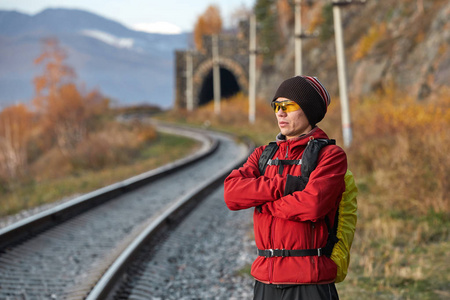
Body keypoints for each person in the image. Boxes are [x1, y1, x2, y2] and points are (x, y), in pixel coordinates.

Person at [224, 76, 347, 300]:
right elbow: (231, 194)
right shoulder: (262, 154)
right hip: (265, 281)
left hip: (310, 282)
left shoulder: (330, 156)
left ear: (309, 111)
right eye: (276, 106)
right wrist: (287, 185)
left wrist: (262, 202)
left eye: (288, 106)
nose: (280, 113)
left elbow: (312, 206)